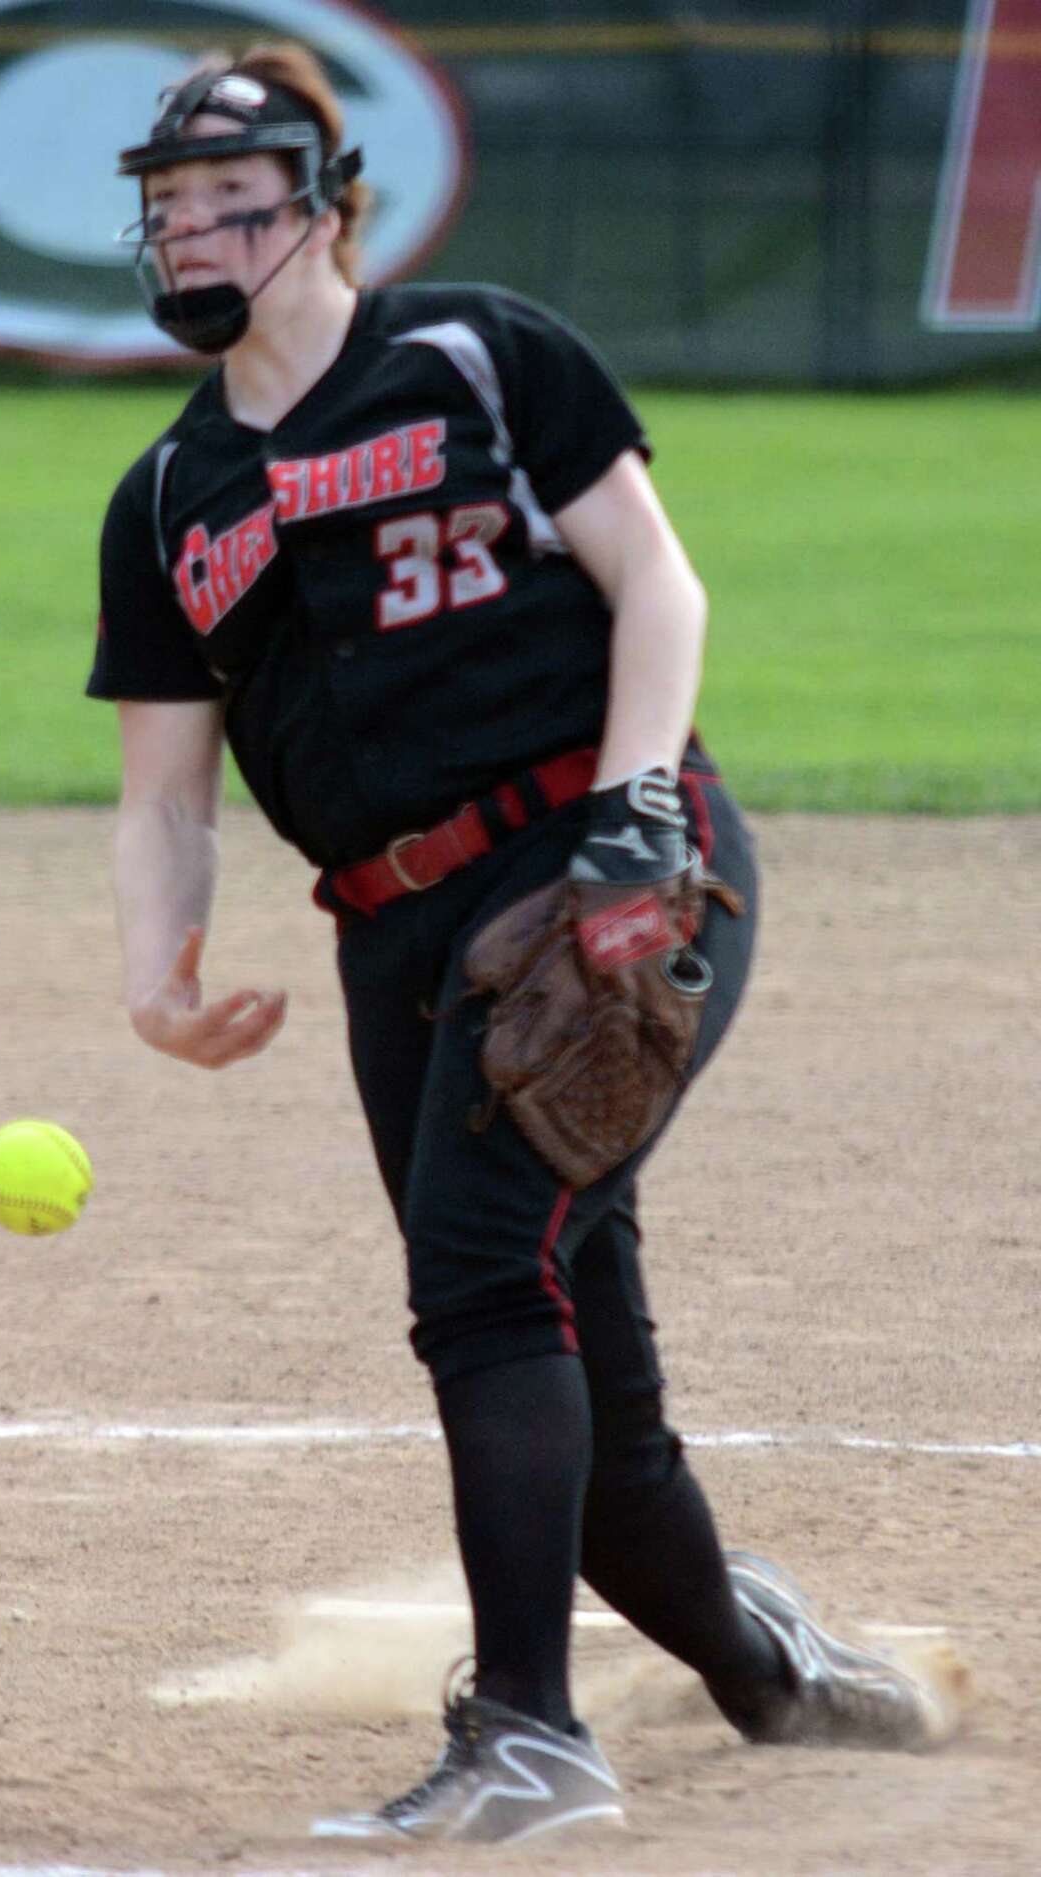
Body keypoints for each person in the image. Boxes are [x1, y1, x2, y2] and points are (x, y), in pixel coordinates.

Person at [88, 41, 954, 1845]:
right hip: (393, 941)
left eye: (228, 206)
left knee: (484, 1280)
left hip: (598, 859)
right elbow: (166, 789)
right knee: (582, 1372)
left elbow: (657, 578)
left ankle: (530, 1732)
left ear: (327, 213)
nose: (189, 241)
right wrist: (158, 975)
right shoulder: (169, 498)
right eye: (166, 211)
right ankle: (772, 1672)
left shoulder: (477, 350)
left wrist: (642, 808)